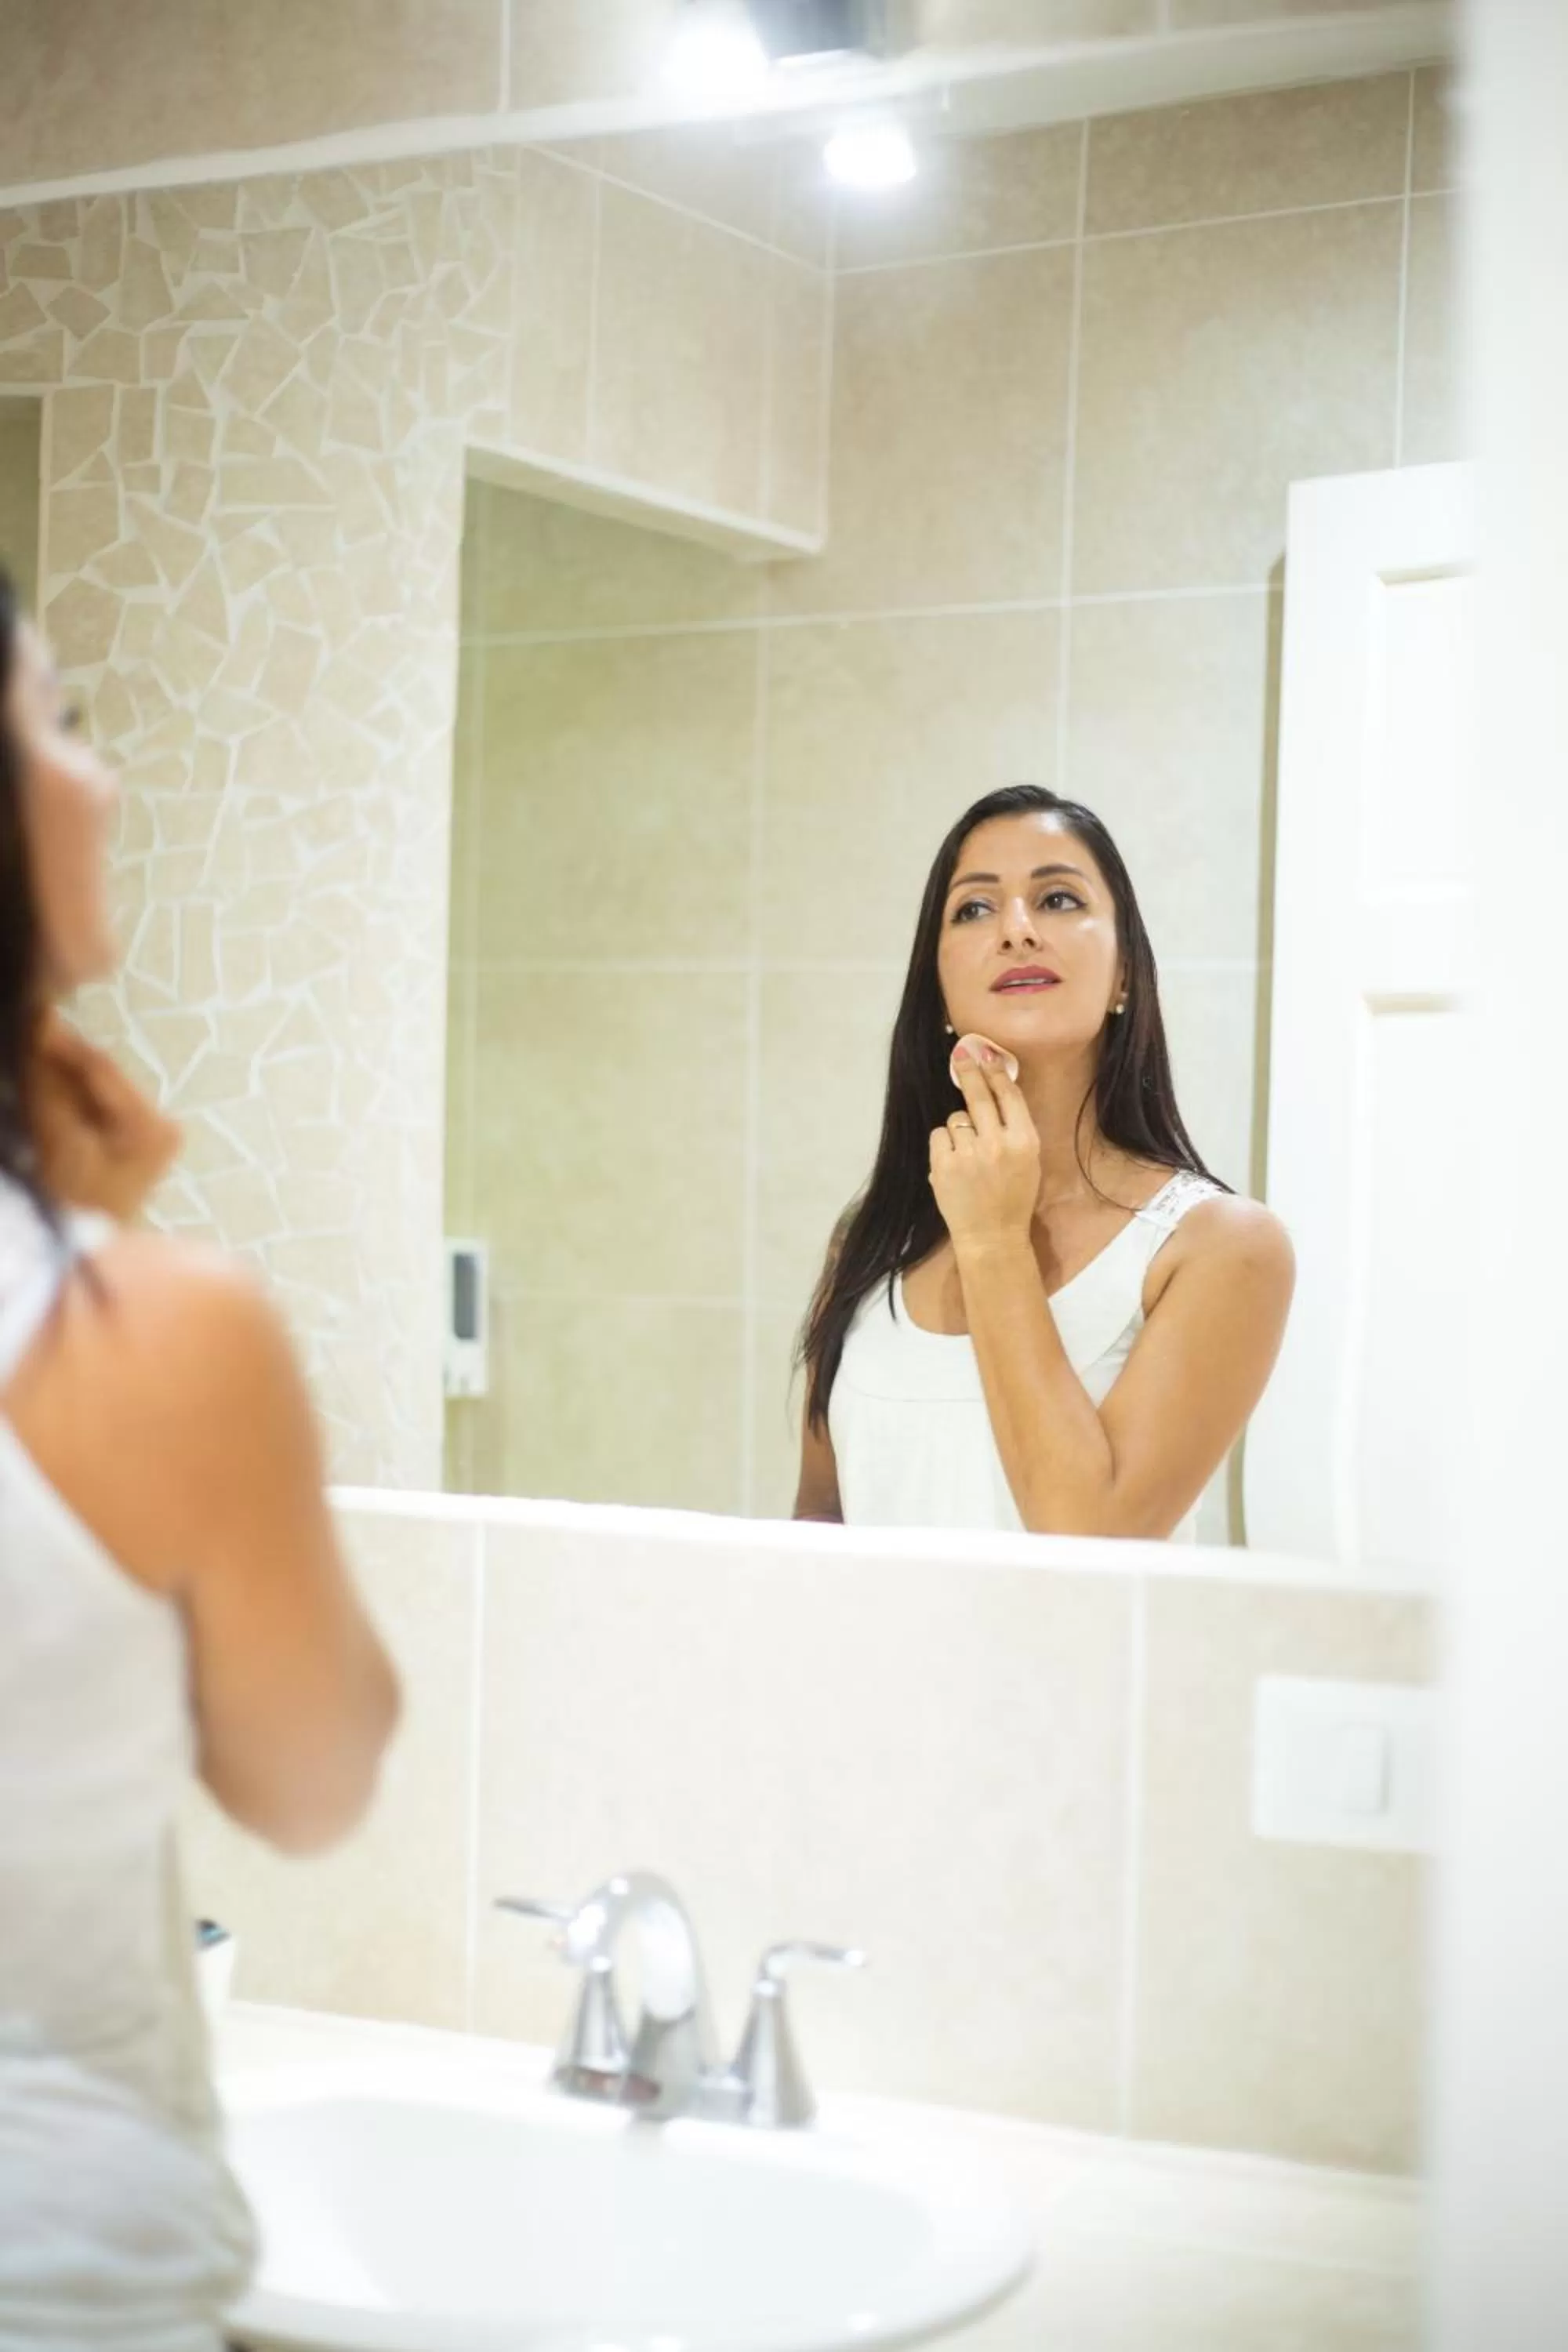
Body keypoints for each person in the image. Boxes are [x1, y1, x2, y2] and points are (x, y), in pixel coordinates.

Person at [0, 566, 401, 2347]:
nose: (101, 774)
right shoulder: (160, 1340)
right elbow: (311, 1780)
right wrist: (99, 1265)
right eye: (60, 718)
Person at [794, 783, 1294, 1539]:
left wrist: (994, 1241)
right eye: (974, 908)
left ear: (1124, 973)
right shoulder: (868, 1242)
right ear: (938, 995)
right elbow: (820, 1523)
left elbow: (1086, 1540)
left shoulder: (1220, 1250)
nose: (1017, 931)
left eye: (1058, 900)